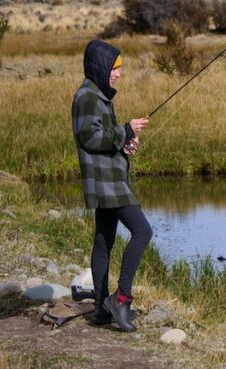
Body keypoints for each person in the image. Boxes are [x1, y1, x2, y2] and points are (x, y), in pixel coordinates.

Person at [71, 39, 150, 332]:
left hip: (108, 177)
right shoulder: (88, 97)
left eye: (119, 69)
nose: (118, 74)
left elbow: (103, 137)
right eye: (115, 68)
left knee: (104, 240)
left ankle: (102, 309)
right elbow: (90, 139)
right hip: (108, 182)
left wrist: (123, 143)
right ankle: (121, 299)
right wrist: (125, 130)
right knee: (143, 232)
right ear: (101, 67)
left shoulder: (97, 95)